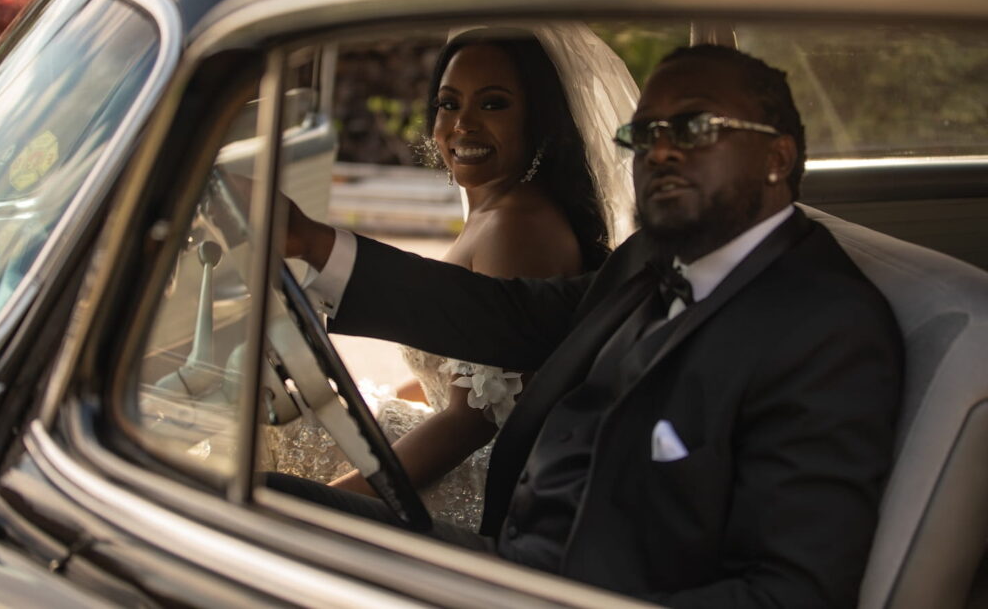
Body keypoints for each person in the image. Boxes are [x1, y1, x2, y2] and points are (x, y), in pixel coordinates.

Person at [272, 44, 903, 608]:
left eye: (694, 129)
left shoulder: (828, 326)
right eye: (647, 132)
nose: (658, 152)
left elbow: (792, 589)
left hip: (566, 589)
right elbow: (506, 317)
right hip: (515, 548)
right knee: (263, 497)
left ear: (776, 156)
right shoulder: (653, 255)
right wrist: (312, 242)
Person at [266, 24, 638, 531]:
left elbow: (471, 422)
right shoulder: (499, 209)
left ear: (540, 121)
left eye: (493, 104)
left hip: (479, 488)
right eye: (448, 103)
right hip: (460, 448)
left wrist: (331, 504)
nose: (462, 124)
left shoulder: (519, 225)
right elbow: (469, 380)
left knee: (280, 446)